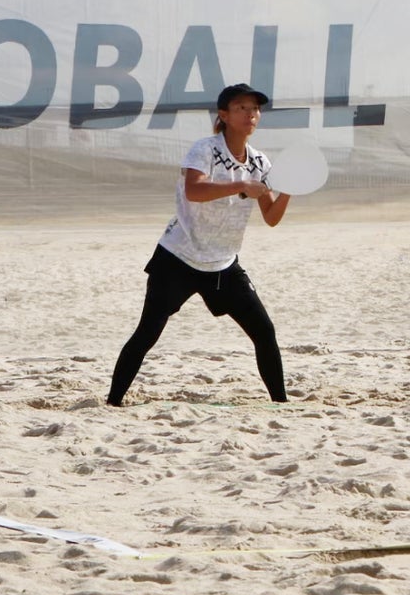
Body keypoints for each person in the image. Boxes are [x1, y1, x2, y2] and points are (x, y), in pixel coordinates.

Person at [107, 84, 292, 407]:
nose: (251, 114)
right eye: (242, 108)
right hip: (178, 258)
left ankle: (282, 404)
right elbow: (195, 190)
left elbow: (272, 217)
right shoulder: (204, 149)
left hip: (223, 264)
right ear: (224, 115)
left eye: (255, 109)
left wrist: (288, 189)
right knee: (147, 333)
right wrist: (240, 185)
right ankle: (112, 402)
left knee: (264, 332)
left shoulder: (260, 163)